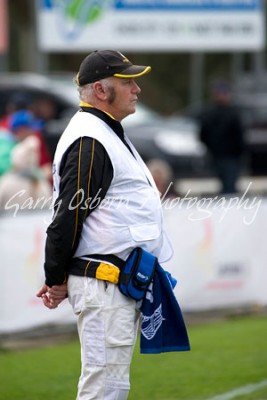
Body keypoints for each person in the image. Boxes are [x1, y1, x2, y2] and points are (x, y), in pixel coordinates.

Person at [36, 50, 173, 400]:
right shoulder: (90, 138)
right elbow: (67, 217)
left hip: (112, 284)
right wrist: (55, 278)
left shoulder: (102, 131)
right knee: (104, 390)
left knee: (109, 386)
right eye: (127, 82)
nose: (137, 89)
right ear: (100, 90)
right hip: (102, 284)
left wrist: (57, 276)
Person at [198, 80, 245, 194]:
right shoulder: (210, 113)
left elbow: (240, 136)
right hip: (218, 155)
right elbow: (203, 134)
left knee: (229, 185)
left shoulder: (234, 113)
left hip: (231, 157)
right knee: (226, 185)